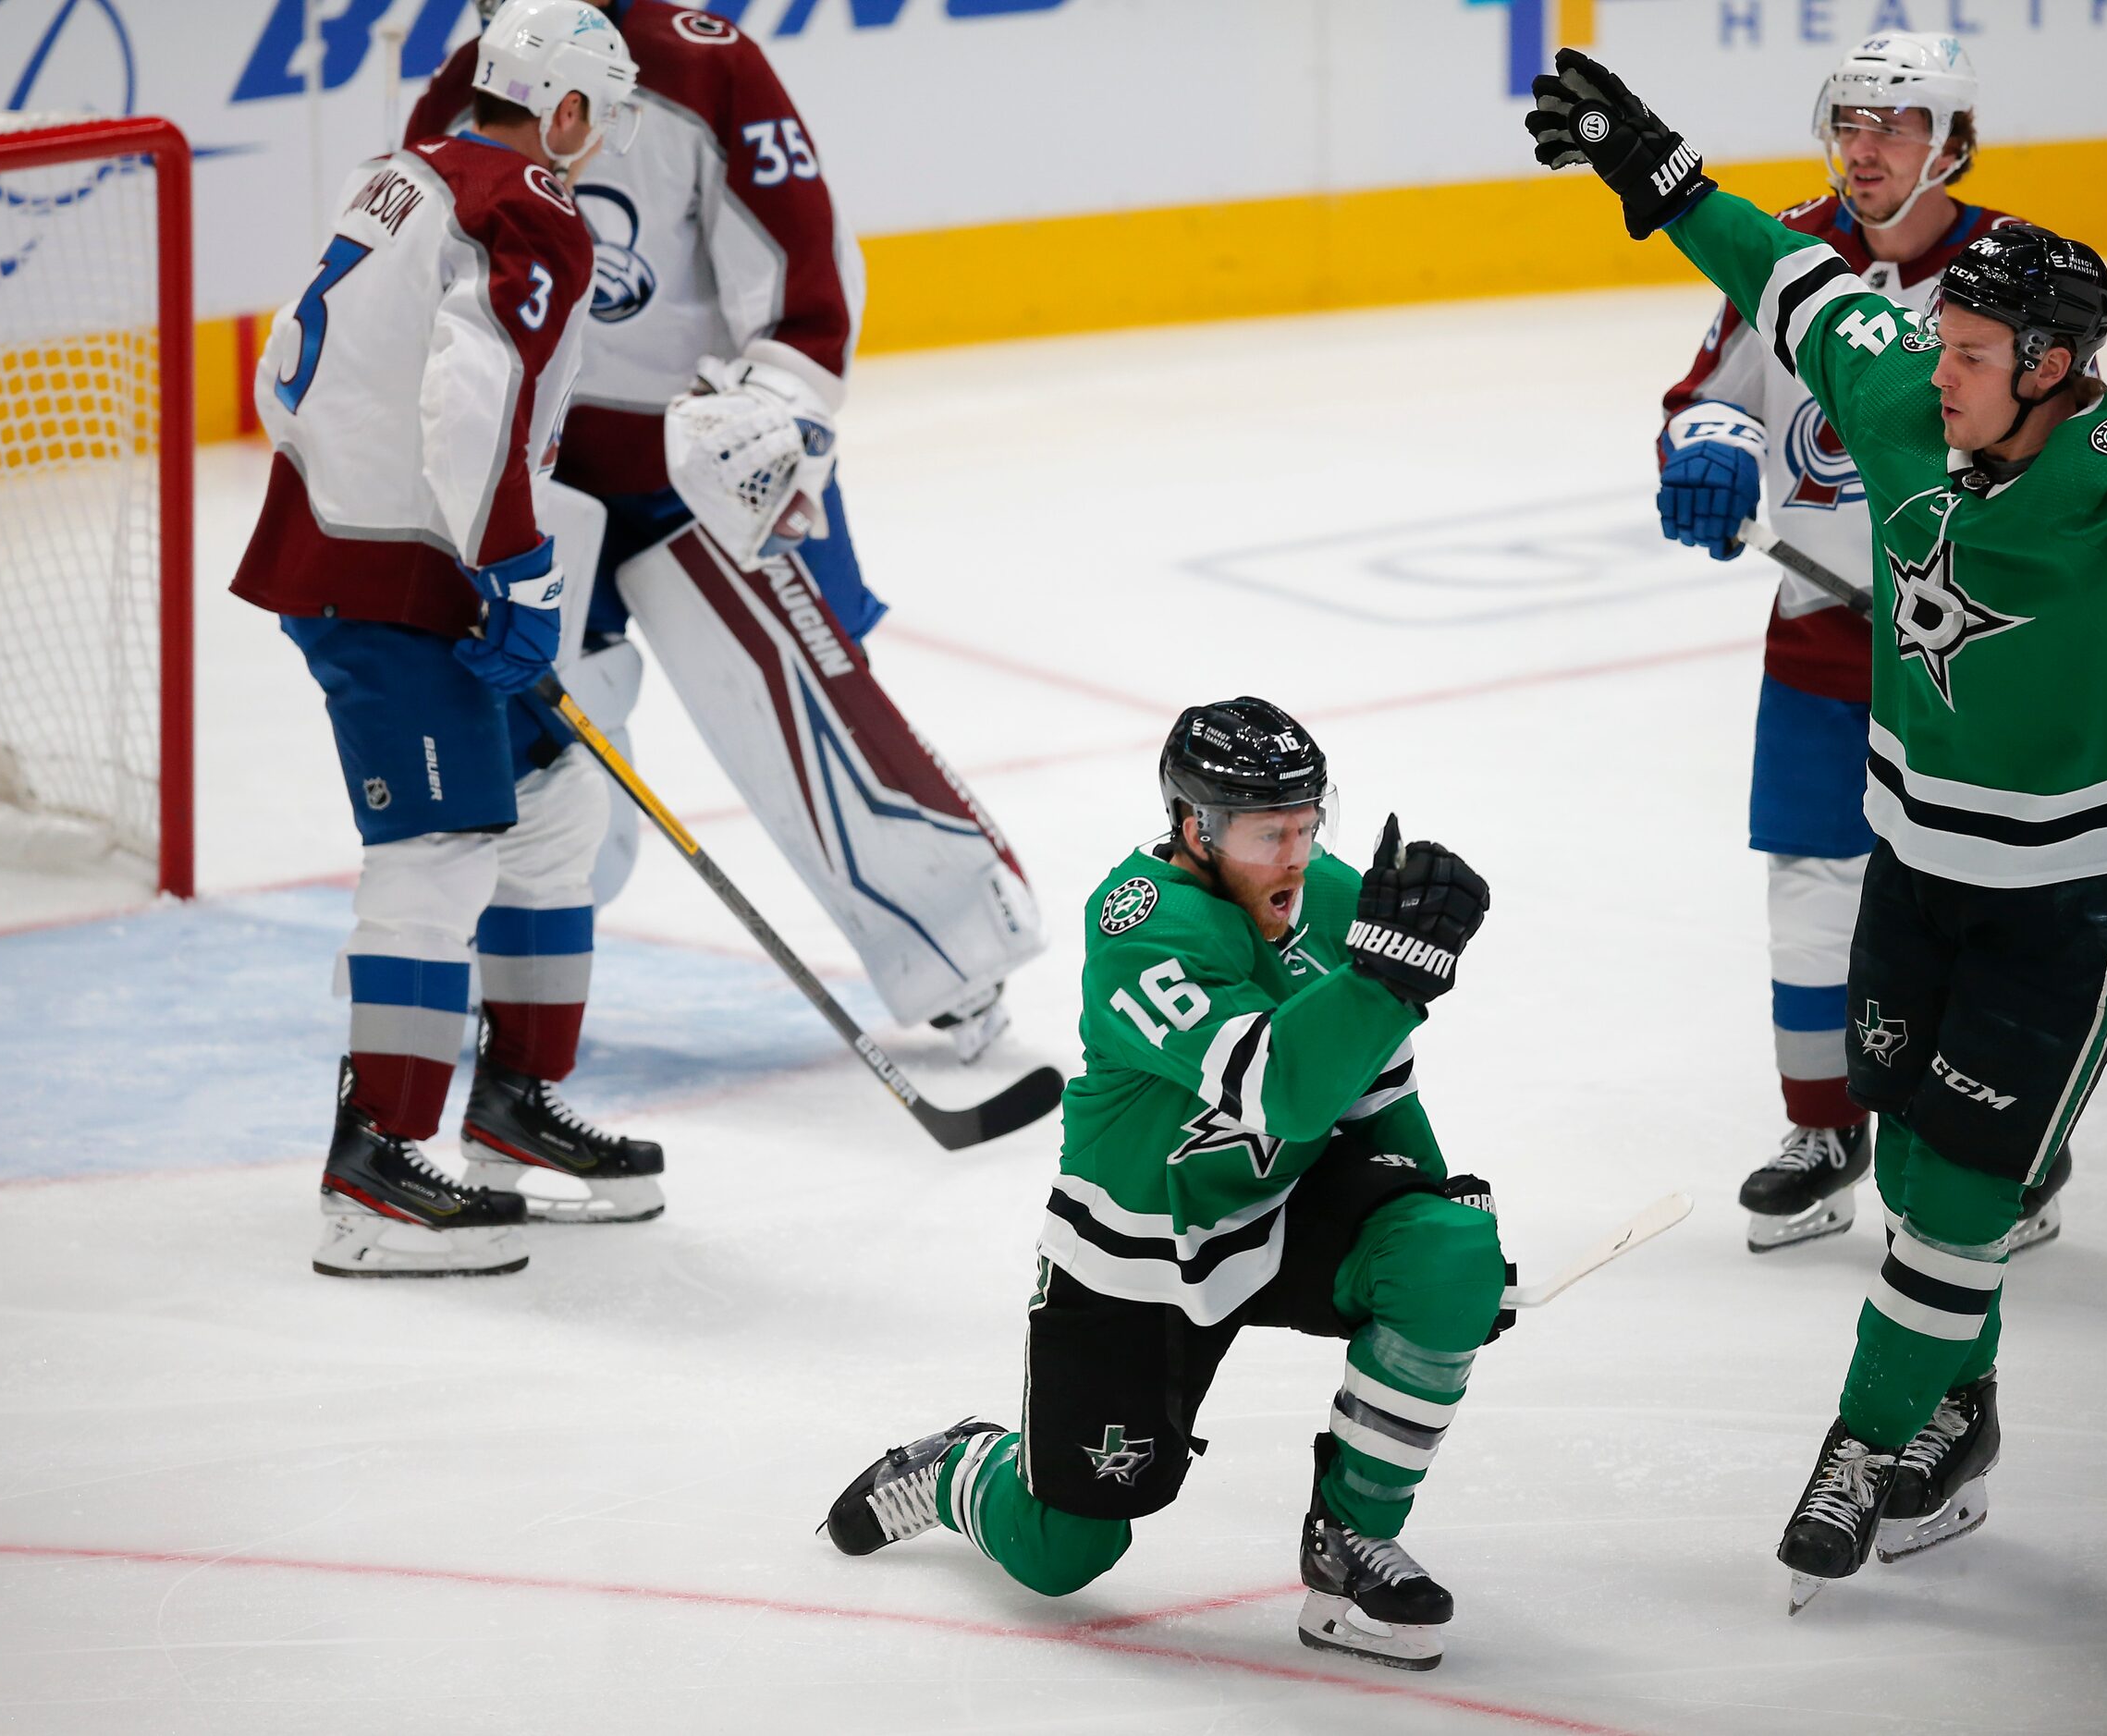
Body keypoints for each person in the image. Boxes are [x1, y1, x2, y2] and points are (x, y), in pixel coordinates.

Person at [1528, 51, 2107, 1606]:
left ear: (2049, 366)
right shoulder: (1907, 383)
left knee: (1965, 1189)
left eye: (1967, 350)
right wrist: (1655, 169)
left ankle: (1869, 1429)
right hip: (1916, 859)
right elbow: (1783, 279)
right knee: (1910, 1164)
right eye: (1937, 340)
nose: (1932, 368)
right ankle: (1955, 1413)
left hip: (2071, 893)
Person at [409, 0, 1043, 1064]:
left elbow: (805, 277)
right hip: (532, 474)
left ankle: (956, 950)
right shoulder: (462, 85)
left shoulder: (708, 67)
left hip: (688, 462)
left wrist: (771, 406)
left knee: (797, 698)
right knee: (540, 740)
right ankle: (510, 967)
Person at [817, 700, 1505, 1671]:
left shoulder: (1337, 901)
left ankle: (1348, 1540)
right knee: (1067, 1552)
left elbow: (1370, 1090)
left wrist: (1435, 1205)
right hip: (1140, 1249)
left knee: (1449, 1256)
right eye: (1270, 834)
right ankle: (962, 1466)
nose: (1297, 855)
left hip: (1284, 1208)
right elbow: (1283, 1088)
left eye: (1309, 826)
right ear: (1196, 828)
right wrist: (1388, 980)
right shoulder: (1142, 924)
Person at [232, 0, 664, 1275]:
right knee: (436, 850)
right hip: (399, 582)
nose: (601, 140)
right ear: (567, 108)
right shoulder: (527, 204)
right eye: (601, 113)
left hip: (388, 553)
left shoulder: (403, 172)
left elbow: (281, 376)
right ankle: (371, 1182)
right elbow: (474, 399)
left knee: (552, 802)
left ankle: (508, 1113)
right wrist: (520, 574)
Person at [1656, 34, 2068, 1256]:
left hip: (1965, 650)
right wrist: (1710, 447)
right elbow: (1711, 387)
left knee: (1976, 898)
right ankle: (1823, 1128)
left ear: (1952, 141)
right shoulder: (1783, 249)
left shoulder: (2013, 273)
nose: (1863, 147)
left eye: (1894, 124)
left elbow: (2055, 457)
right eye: (1849, 120)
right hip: (1818, 635)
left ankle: (2004, 1141)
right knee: (1807, 888)